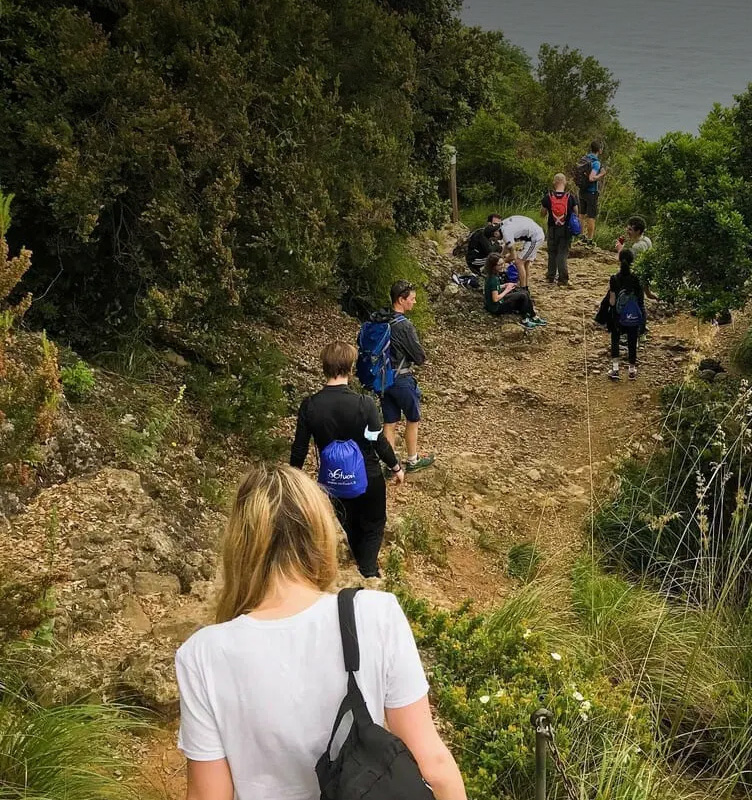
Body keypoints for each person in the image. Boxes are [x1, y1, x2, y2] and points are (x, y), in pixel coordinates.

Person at [175, 464, 467, 800]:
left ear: (239, 546)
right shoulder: (375, 614)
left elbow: (209, 796)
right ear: (318, 533)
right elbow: (432, 763)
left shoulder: (202, 655)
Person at [290, 341, 403, 579]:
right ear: (350, 368)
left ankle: (359, 566)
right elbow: (378, 441)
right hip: (368, 476)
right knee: (373, 523)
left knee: (348, 522)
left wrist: (293, 478)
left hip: (334, 480)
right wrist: (395, 466)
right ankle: (369, 570)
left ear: (324, 368)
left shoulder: (310, 406)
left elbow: (300, 448)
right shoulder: (365, 404)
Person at [379, 280, 434, 472]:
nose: (414, 302)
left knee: (389, 422)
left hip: (384, 379)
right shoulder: (404, 326)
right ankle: (412, 460)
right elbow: (418, 357)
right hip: (402, 379)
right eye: (412, 299)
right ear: (401, 300)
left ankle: (389, 463)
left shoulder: (382, 320)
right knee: (413, 419)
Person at [607, 249, 646, 380]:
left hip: (618, 315)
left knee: (615, 340)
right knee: (632, 341)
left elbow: (612, 301)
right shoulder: (637, 278)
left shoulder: (614, 278)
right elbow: (641, 300)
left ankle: (615, 369)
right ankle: (632, 371)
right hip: (633, 315)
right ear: (632, 261)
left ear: (619, 260)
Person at [484, 253, 546, 329]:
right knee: (522, 296)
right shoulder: (493, 279)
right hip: (496, 307)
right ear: (493, 266)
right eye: (499, 265)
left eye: (502, 263)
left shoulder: (493, 276)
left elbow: (492, 288)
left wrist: (504, 285)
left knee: (525, 293)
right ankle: (527, 319)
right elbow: (495, 298)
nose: (502, 266)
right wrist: (507, 290)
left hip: (495, 303)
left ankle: (532, 316)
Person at [541, 173, 578, 286]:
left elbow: (542, 213)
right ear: (565, 182)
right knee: (562, 253)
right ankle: (563, 278)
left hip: (552, 228)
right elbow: (576, 212)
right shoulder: (570, 197)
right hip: (566, 229)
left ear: (554, 182)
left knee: (552, 252)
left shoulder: (548, 197)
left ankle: (550, 276)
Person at [498, 214, 545, 290]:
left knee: (519, 262)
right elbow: (507, 245)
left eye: (495, 237)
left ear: (496, 232)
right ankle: (525, 286)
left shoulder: (506, 233)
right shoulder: (503, 226)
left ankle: (523, 288)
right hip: (534, 233)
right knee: (525, 263)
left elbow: (513, 256)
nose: (497, 239)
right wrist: (500, 256)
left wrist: (501, 261)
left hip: (535, 237)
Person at [578, 141, 607, 246]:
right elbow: (591, 178)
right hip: (591, 192)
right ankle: (590, 240)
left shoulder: (584, 159)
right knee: (591, 216)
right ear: (599, 150)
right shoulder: (596, 162)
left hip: (582, 190)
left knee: (581, 214)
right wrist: (601, 175)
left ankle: (581, 236)